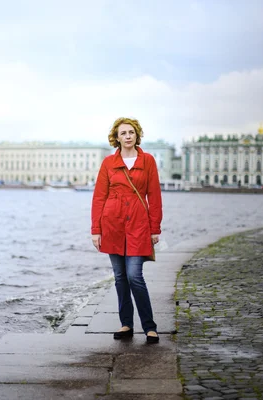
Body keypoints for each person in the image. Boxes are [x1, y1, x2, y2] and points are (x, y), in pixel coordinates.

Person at [91, 117, 163, 344]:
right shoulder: (108, 163)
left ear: (137, 135)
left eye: (131, 132)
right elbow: (99, 197)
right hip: (112, 225)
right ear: (117, 137)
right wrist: (96, 229)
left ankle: (149, 327)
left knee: (135, 276)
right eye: (123, 133)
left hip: (139, 226)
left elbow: (155, 196)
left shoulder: (148, 160)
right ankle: (126, 324)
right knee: (120, 278)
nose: (128, 136)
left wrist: (155, 228)